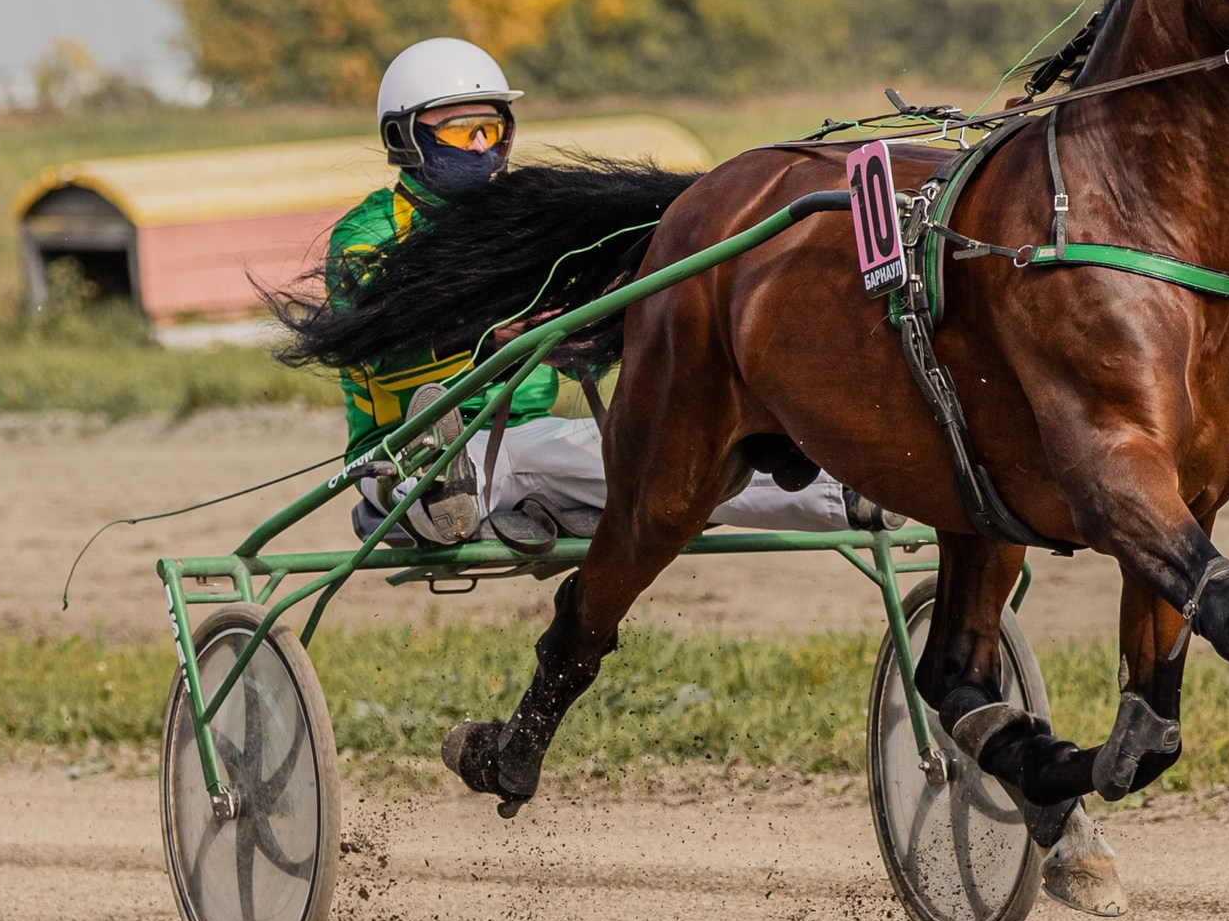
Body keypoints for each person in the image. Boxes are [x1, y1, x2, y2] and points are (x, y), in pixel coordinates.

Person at [334, 36, 890, 548]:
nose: (482, 146)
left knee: (676, 460)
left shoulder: (524, 223)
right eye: (460, 131)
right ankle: (438, 486)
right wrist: (492, 339)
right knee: (443, 467)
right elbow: (376, 358)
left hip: (531, 437)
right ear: (403, 137)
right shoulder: (368, 236)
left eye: (493, 127)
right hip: (401, 444)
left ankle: (853, 488)